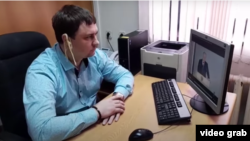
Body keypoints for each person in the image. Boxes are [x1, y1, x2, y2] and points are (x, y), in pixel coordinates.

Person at [23, 5, 134, 141]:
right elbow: (41, 132)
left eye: (96, 34)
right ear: (67, 40)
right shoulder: (41, 71)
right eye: (88, 37)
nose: (97, 42)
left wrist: (117, 97)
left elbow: (125, 75)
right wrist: (97, 112)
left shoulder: (95, 56)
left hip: (94, 126)